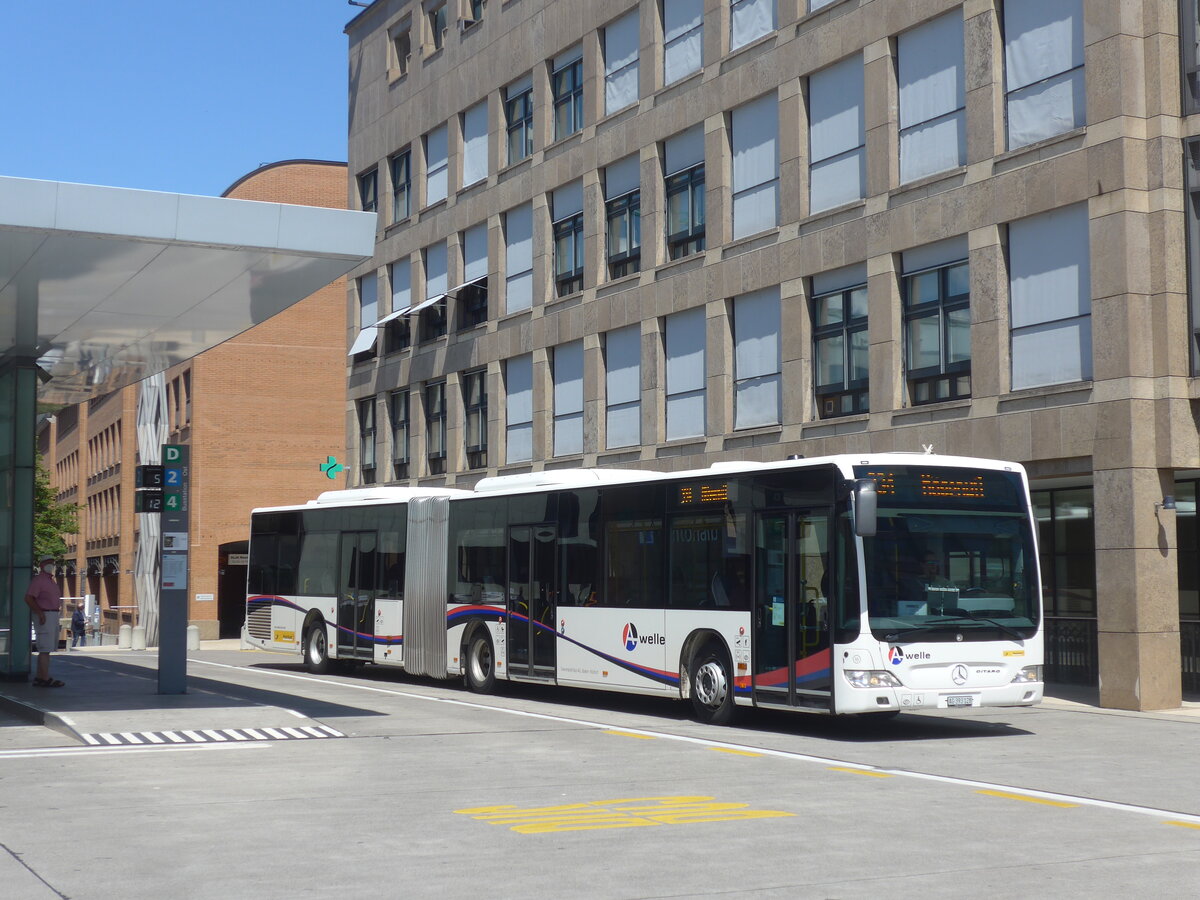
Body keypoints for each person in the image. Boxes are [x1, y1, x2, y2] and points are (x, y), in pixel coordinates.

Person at [24, 556, 65, 687]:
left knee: (47, 648)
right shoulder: (39, 580)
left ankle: (40, 676)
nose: (51, 565)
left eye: (52, 563)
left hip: (52, 614)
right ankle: (45, 678)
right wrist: (39, 613)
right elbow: (29, 598)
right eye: (48, 563)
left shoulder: (51, 581)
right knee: (45, 648)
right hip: (45, 614)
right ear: (41, 565)